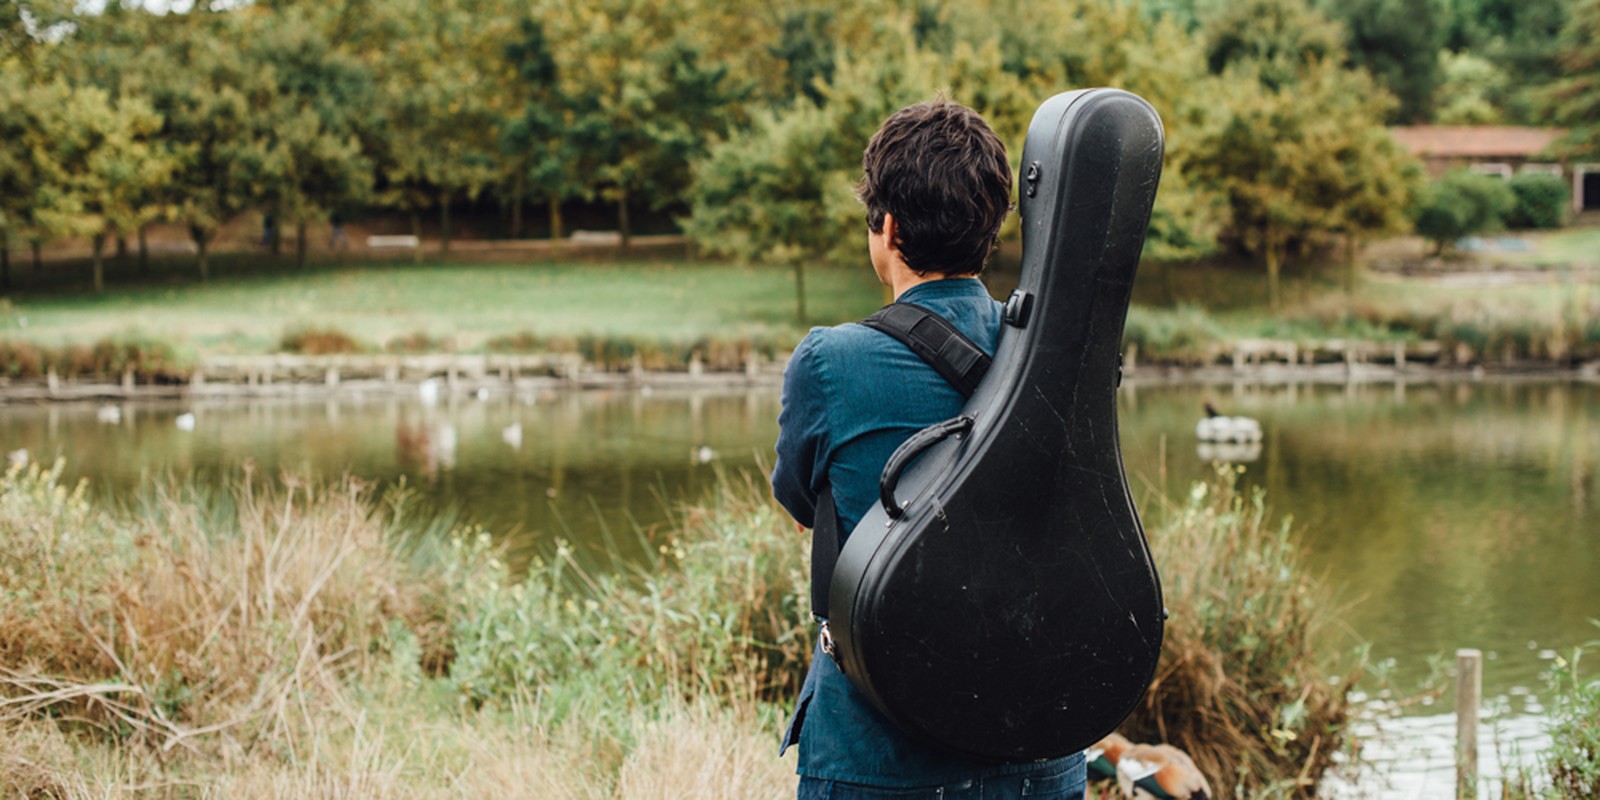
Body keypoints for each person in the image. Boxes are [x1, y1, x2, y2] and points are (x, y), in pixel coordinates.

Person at [771, 98, 1088, 799]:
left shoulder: (830, 361)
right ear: (991, 227)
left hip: (878, 758)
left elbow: (800, 507)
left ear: (886, 228)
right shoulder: (1056, 355)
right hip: (1039, 749)